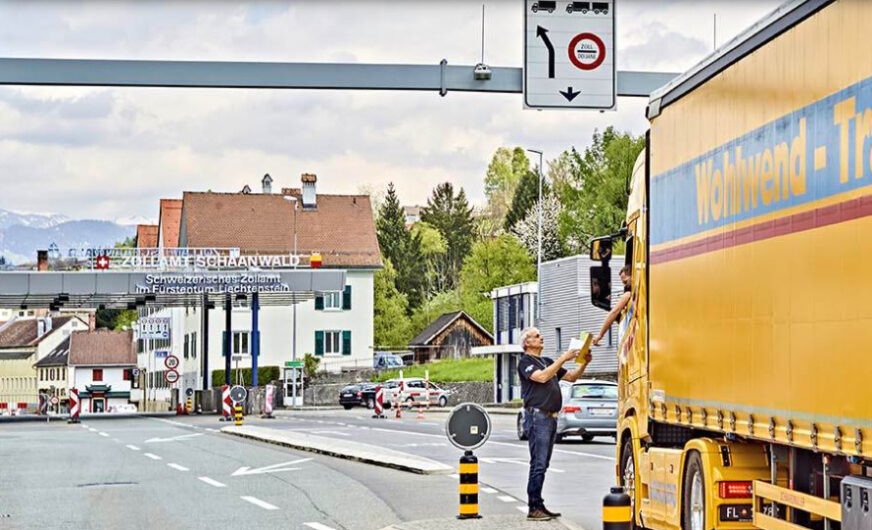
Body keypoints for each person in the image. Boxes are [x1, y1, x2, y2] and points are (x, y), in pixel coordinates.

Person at [517, 327, 593, 521]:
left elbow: (572, 377)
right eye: (536, 336)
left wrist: (583, 363)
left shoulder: (547, 361)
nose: (541, 338)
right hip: (537, 416)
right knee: (538, 463)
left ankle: (539, 504)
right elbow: (541, 377)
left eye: (540, 335)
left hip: (551, 417)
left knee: (544, 463)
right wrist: (564, 358)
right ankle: (534, 507)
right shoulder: (525, 362)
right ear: (527, 343)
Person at [592, 265, 632, 346]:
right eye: (623, 283)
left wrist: (600, 335)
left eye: (625, 281)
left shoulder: (628, 294)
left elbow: (613, 313)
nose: (624, 286)